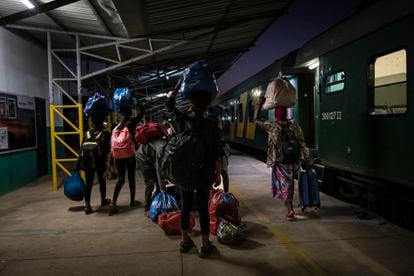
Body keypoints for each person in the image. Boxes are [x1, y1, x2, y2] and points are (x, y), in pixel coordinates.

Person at [166, 79, 223, 258]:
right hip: (203, 172)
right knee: (203, 210)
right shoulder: (210, 124)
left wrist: (177, 85)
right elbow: (217, 152)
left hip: (185, 173)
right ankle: (205, 246)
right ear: (207, 103)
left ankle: (185, 242)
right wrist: (218, 173)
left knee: (186, 207)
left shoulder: (183, 120)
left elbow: (169, 106)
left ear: (190, 101)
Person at [254, 97, 309, 221]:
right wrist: (305, 159)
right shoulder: (295, 126)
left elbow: (256, 120)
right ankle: (290, 205)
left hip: (281, 161)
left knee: (286, 184)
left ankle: (289, 208)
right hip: (294, 161)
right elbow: (301, 143)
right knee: (290, 183)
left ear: (276, 115)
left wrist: (258, 105)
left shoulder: (273, 126)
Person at [109, 101, 145, 216]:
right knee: (131, 179)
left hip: (118, 156)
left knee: (121, 179)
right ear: (130, 113)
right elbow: (142, 112)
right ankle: (132, 201)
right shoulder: (131, 123)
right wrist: (136, 101)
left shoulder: (117, 126)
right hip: (129, 154)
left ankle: (113, 203)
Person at [77, 113, 112, 215]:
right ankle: (103, 200)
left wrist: (78, 162)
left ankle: (87, 206)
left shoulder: (87, 133)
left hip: (88, 162)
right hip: (100, 162)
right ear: (102, 122)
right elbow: (107, 149)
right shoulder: (105, 134)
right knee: (102, 181)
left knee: (89, 183)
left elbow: (81, 149)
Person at [136, 126, 170, 217]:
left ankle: (157, 204)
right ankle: (147, 208)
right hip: (142, 157)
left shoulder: (167, 146)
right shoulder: (162, 149)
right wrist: (163, 188)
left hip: (150, 157)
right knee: (150, 182)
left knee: (158, 183)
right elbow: (159, 170)